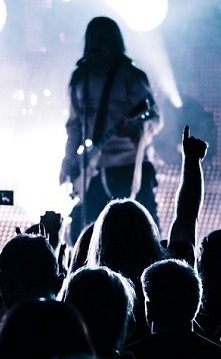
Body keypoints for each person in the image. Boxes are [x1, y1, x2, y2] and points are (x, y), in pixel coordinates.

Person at [59, 16, 162, 245]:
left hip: (129, 165)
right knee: (90, 234)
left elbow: (154, 118)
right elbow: (74, 125)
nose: (97, 45)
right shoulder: (80, 78)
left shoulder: (131, 76)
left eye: (102, 40)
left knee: (141, 233)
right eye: (93, 40)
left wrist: (135, 130)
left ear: (113, 42)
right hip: (93, 169)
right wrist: (69, 160)